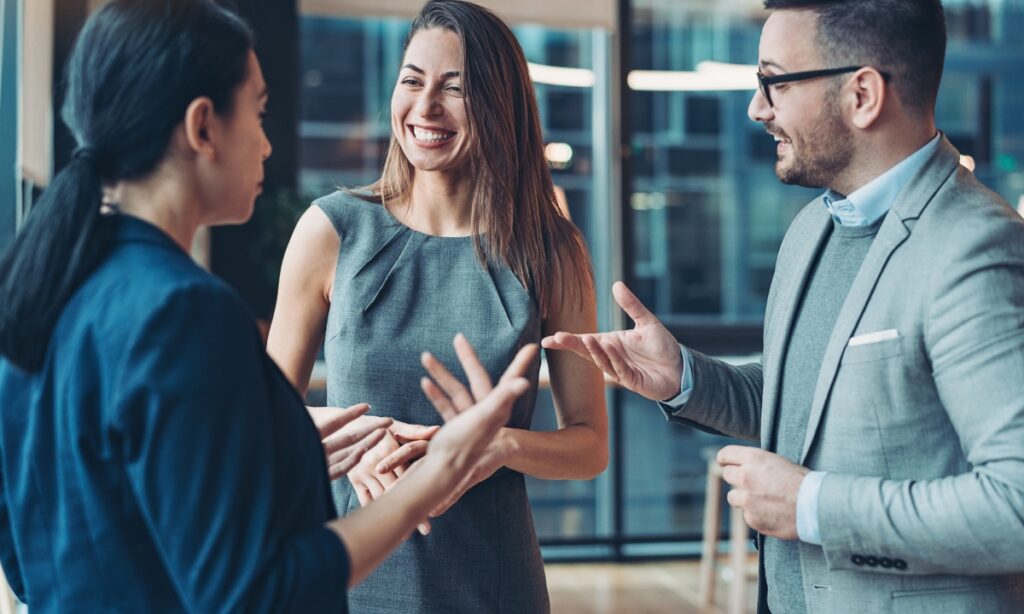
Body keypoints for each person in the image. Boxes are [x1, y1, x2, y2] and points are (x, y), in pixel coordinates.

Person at [0, 1, 536, 611]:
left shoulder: (45, 282)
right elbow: (255, 590)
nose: (265, 143)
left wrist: (285, 444)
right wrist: (436, 477)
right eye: (257, 113)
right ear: (204, 128)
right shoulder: (186, 311)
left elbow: (27, 546)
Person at [544, 0, 1024, 612]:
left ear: (863, 95)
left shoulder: (974, 246)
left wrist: (813, 506)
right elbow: (809, 411)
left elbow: (1016, 505)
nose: (757, 109)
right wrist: (685, 378)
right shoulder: (810, 232)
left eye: (774, 81)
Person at [266, 1, 608, 611]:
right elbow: (260, 425)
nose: (425, 108)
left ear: (500, 106)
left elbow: (589, 446)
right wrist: (351, 440)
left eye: (455, 89)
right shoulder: (332, 230)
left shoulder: (551, 249)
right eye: (412, 81)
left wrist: (499, 445)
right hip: (349, 572)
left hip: (493, 580)